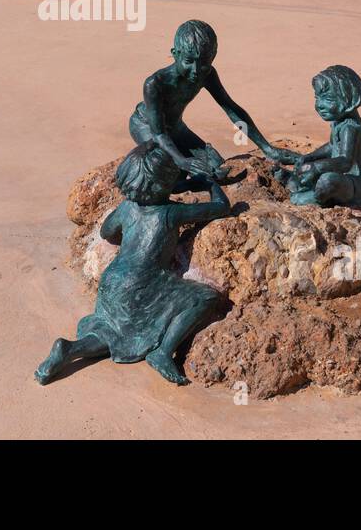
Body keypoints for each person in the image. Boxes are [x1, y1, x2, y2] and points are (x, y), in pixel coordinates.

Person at [35, 144, 234, 385]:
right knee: (204, 298)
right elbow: (222, 208)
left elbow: (108, 232)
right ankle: (162, 353)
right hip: (144, 283)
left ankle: (69, 350)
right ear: (165, 183)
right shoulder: (171, 213)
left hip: (113, 279)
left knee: (112, 329)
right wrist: (210, 183)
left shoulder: (128, 208)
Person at [129, 19, 301, 181]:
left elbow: (231, 109)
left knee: (215, 166)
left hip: (176, 128)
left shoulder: (208, 74)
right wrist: (182, 161)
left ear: (213, 57)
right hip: (147, 126)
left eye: (204, 62)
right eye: (189, 61)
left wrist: (267, 148)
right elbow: (159, 133)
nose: (196, 70)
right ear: (175, 54)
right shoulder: (155, 84)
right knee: (171, 172)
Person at [279, 64, 361, 211]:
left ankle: (315, 197)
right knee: (308, 166)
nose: (319, 105)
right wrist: (310, 157)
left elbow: (345, 161)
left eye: (328, 99)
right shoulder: (339, 122)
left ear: (348, 100)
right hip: (346, 178)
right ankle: (299, 183)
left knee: (328, 180)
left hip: (359, 188)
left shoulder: (350, 127)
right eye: (317, 97)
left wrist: (316, 166)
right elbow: (332, 146)